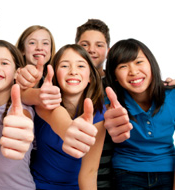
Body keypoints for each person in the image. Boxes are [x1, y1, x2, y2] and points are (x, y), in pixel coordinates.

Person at [28, 44, 106, 189]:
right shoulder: (44, 102)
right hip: (38, 185)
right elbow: (56, 115)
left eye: (81, 66)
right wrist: (69, 129)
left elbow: (89, 172)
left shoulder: (99, 113)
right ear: (55, 73)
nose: (73, 72)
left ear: (90, 77)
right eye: (65, 66)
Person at [105, 38, 175, 189]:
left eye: (138, 62)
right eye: (123, 66)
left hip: (167, 169)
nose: (133, 71)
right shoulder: (111, 103)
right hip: (127, 171)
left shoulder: (172, 96)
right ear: (114, 76)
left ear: (151, 64)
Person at [0, 40, 35, 189]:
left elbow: (23, 119)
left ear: (17, 72)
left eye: (4, 63)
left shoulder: (23, 108)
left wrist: (20, 128)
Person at [75, 18, 115, 189]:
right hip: (69, 174)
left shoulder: (118, 83)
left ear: (108, 50)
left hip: (108, 175)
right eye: (85, 44)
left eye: (99, 45)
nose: (91, 50)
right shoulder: (67, 81)